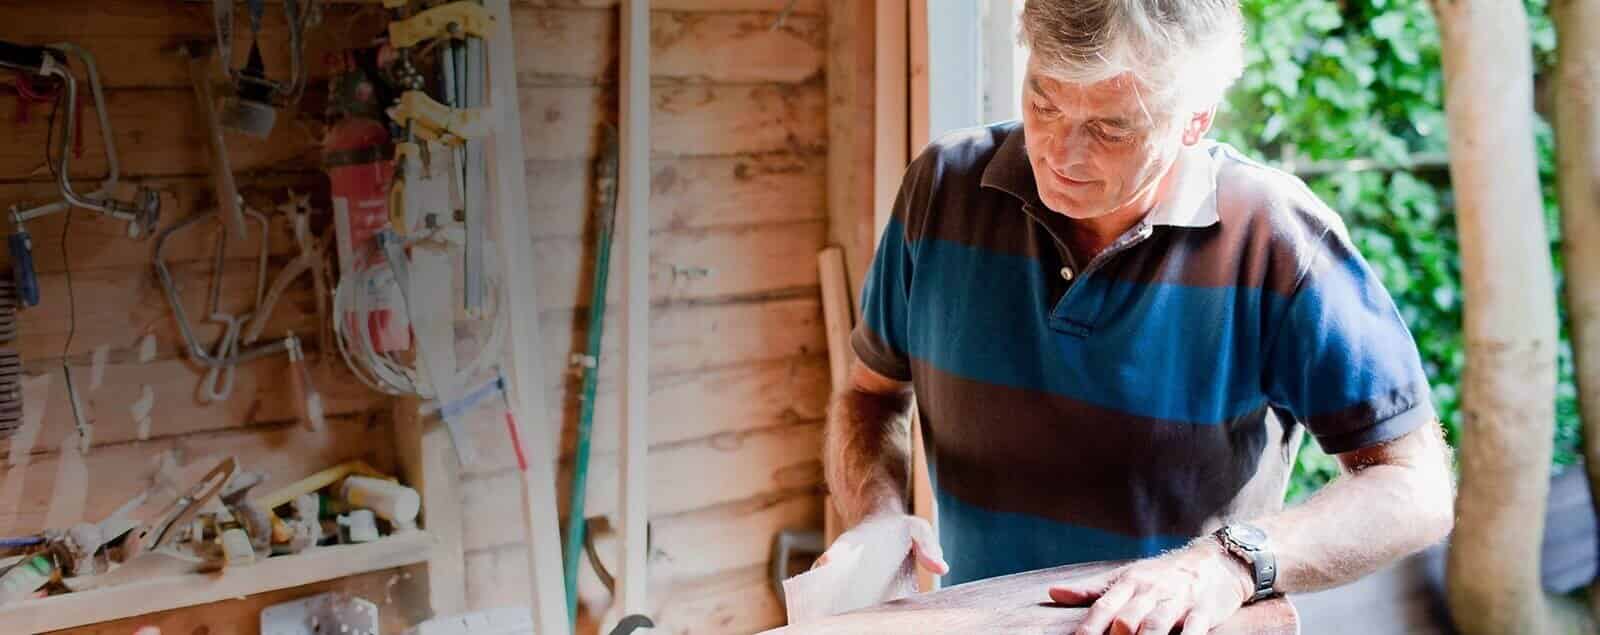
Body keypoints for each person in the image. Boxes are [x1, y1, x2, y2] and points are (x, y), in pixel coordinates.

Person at [821, 1, 1456, 634]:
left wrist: (1231, 564)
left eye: (1111, 129)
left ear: (1195, 120)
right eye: (1043, 103)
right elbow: (870, 396)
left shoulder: (1274, 237)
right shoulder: (941, 188)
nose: (1062, 153)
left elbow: (1415, 488)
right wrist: (876, 514)